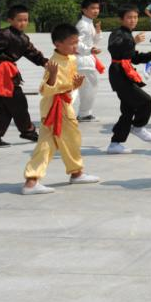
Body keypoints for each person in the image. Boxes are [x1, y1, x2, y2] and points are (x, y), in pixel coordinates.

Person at [21, 24, 101, 195]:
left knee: (71, 138)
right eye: (72, 43)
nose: (75, 46)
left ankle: (76, 172)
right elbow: (45, 89)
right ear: (58, 44)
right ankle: (32, 180)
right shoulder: (53, 63)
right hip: (54, 108)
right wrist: (54, 77)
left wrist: (74, 84)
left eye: (76, 42)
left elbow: (68, 85)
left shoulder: (71, 59)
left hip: (64, 105)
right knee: (47, 144)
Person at [0, 4, 47, 147]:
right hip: (1, 72)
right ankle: (27, 131)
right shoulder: (4, 34)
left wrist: (46, 64)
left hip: (8, 72)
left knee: (6, 107)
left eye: (26, 20)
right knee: (18, 102)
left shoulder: (24, 38)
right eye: (19, 20)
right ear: (10, 20)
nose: (23, 23)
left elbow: (33, 54)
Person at [106, 5, 151, 154]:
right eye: (129, 17)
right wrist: (133, 41)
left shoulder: (128, 34)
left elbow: (133, 57)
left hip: (126, 73)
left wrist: (150, 55)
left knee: (128, 110)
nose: (133, 20)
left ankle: (115, 144)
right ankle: (138, 127)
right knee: (146, 101)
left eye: (135, 17)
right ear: (121, 19)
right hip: (119, 75)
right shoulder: (117, 33)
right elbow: (114, 48)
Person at [74, 0, 103, 122]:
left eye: (97, 8)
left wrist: (97, 32)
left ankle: (84, 113)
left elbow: (93, 41)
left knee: (88, 87)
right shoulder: (83, 25)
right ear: (84, 10)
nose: (96, 11)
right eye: (92, 8)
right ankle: (84, 113)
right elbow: (76, 43)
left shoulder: (88, 23)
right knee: (89, 87)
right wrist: (89, 49)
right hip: (83, 60)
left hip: (87, 59)